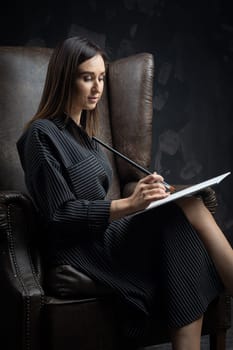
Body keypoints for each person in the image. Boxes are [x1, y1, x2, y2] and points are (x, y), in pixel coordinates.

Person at [16, 36, 225, 350]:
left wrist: (144, 192)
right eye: (87, 78)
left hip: (107, 235)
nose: (98, 87)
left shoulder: (92, 140)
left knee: (183, 218)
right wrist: (131, 203)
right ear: (64, 79)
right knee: (185, 211)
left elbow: (104, 201)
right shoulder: (40, 135)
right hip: (80, 247)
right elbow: (60, 214)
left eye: (101, 78)